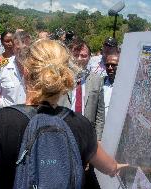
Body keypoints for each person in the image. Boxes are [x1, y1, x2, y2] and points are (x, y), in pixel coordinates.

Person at [0, 39, 127, 189]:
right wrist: (123, 166)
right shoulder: (80, 124)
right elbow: (110, 167)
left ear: (26, 72)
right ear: (65, 75)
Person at [59, 39, 105, 189]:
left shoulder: (97, 80)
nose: (79, 59)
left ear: (89, 57)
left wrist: (97, 141)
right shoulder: (59, 78)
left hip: (86, 138)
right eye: (76, 54)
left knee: (83, 177)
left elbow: (99, 115)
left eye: (84, 55)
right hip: (63, 134)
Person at [0, 31, 31, 112]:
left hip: (28, 117)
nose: (22, 52)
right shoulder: (1, 66)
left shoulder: (37, 67)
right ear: (13, 48)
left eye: (25, 48)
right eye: (18, 48)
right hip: (6, 118)